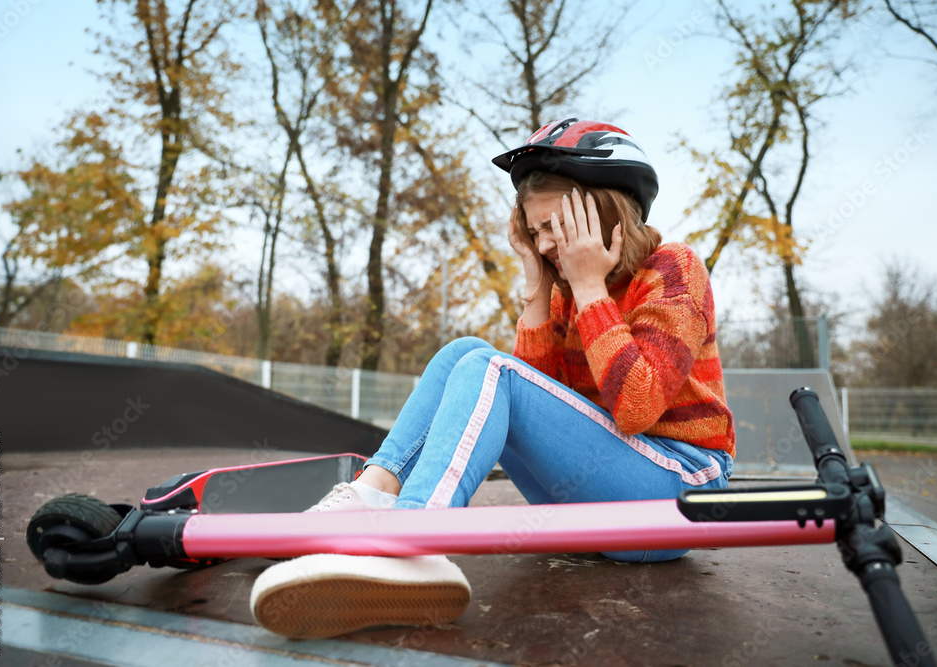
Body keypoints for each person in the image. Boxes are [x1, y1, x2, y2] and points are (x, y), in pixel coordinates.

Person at [250, 118, 736, 640]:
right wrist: (536, 286)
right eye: (535, 232)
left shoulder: (674, 269)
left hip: (676, 494)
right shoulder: (564, 294)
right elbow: (542, 400)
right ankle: (370, 498)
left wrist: (591, 287)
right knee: (466, 352)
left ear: (604, 212)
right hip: (595, 506)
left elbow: (637, 406)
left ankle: (413, 540)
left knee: (490, 370)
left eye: (556, 227)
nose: (546, 244)